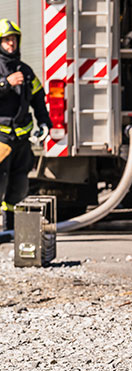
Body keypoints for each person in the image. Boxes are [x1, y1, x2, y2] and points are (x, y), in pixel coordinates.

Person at [0, 20, 51, 230]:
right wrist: (5, 84)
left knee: (19, 184)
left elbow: (38, 99)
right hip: (1, 139)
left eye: (13, 39)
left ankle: (10, 228)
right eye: (5, 40)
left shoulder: (26, 70)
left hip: (22, 139)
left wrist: (45, 122)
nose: (10, 44)